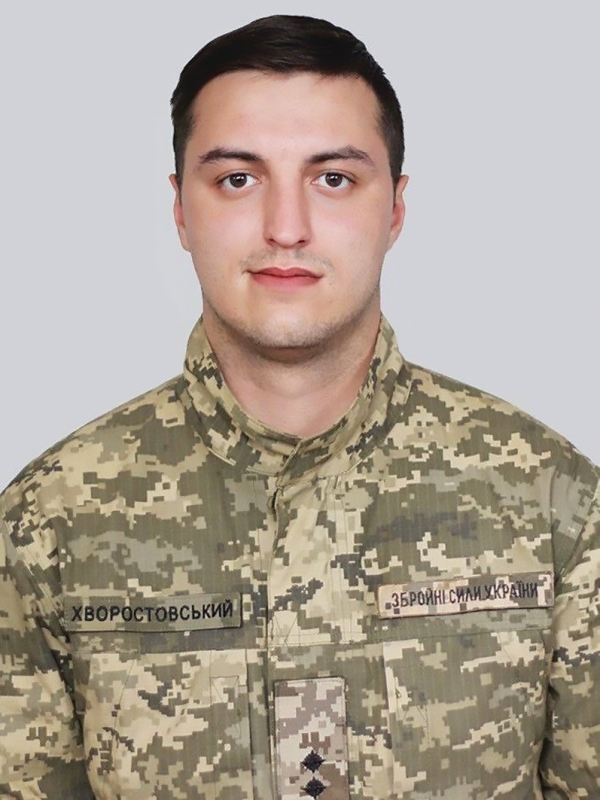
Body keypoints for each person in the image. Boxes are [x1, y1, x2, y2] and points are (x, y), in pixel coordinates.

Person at [0, 13, 598, 799]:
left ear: (395, 208)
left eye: (334, 178)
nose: (287, 228)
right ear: (181, 209)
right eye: (238, 179)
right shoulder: (45, 524)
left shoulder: (556, 504)